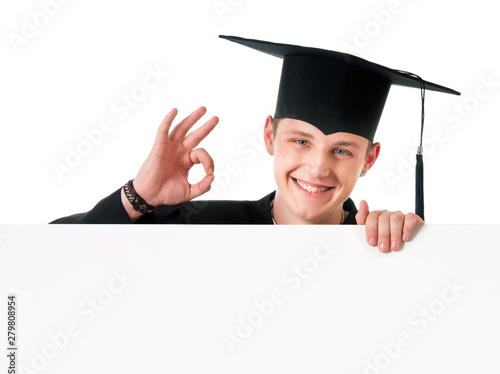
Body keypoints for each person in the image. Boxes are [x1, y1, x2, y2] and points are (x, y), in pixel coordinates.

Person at [51, 36, 460, 253]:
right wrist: (138, 197)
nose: (318, 167)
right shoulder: (197, 228)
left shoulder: (381, 244)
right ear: (269, 136)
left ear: (369, 158)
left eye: (341, 149)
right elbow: (50, 260)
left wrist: (418, 254)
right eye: (301, 140)